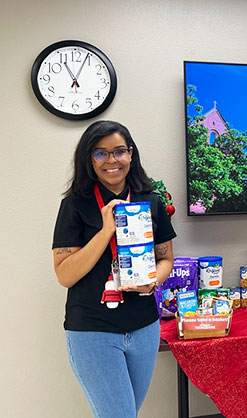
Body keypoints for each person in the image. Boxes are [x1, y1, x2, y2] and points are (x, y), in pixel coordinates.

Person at [52, 121, 176, 418]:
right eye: (100, 153)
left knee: (126, 413)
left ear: (130, 155)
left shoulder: (152, 201)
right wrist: (107, 229)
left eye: (119, 151)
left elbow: (166, 260)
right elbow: (64, 275)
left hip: (144, 327)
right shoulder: (75, 205)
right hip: (93, 331)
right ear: (89, 159)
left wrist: (152, 281)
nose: (111, 160)